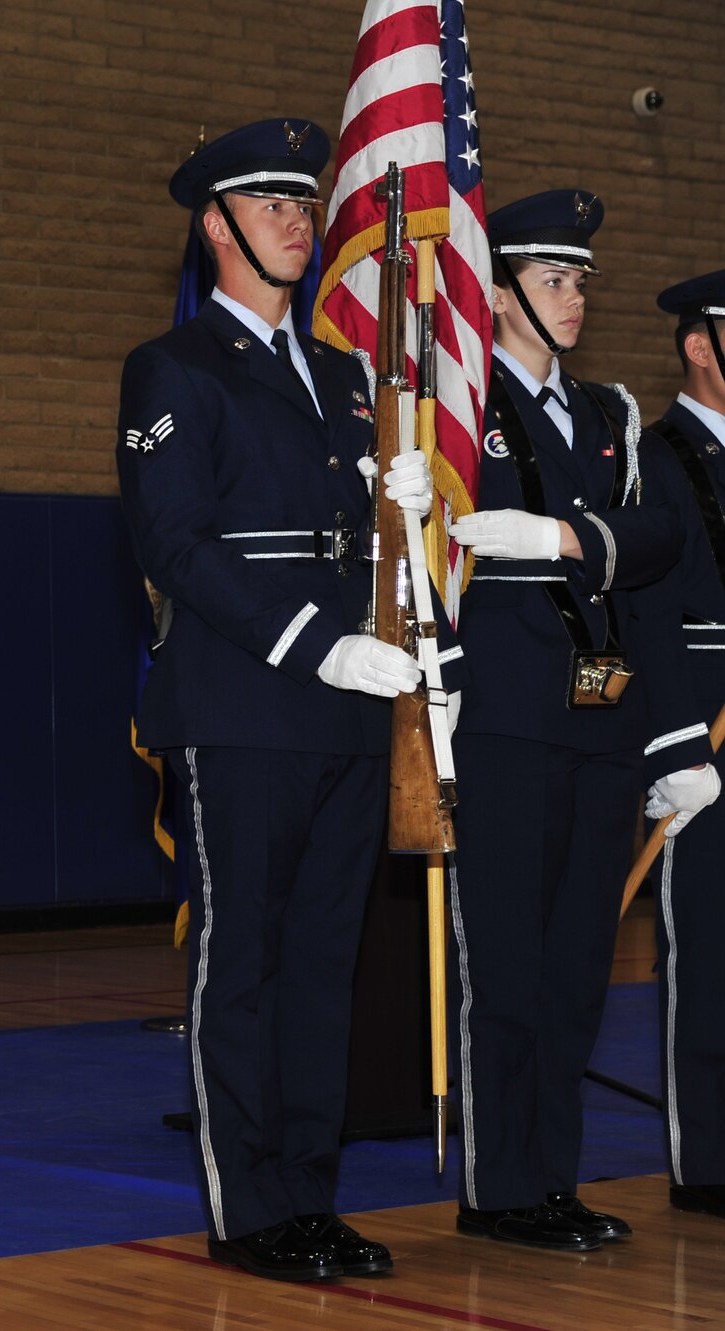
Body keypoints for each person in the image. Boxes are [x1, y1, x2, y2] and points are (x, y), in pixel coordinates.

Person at [117, 119, 446, 1282]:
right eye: (266, 203)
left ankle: (308, 1194)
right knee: (242, 962)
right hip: (243, 707)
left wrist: (396, 512)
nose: (294, 221)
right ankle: (246, 1206)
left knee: (321, 967)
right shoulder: (174, 367)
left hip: (348, 711)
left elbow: (349, 541)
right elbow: (176, 545)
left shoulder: (345, 374)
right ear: (213, 224)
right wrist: (317, 643)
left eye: (301, 203)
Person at [441, 193, 705, 1248]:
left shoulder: (607, 416)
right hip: (500, 715)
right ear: (498, 293)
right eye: (551, 280)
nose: (573, 298)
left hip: (599, 723)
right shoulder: (455, 411)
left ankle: (549, 1176)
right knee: (503, 965)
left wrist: (671, 733)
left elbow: (652, 559)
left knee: (574, 966)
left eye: (580, 280)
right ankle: (496, 1184)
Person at [621, 269, 725, 1219]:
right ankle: (711, 1163)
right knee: (710, 945)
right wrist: (679, 745)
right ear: (703, 346)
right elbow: (648, 609)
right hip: (707, 721)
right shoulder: (655, 456)